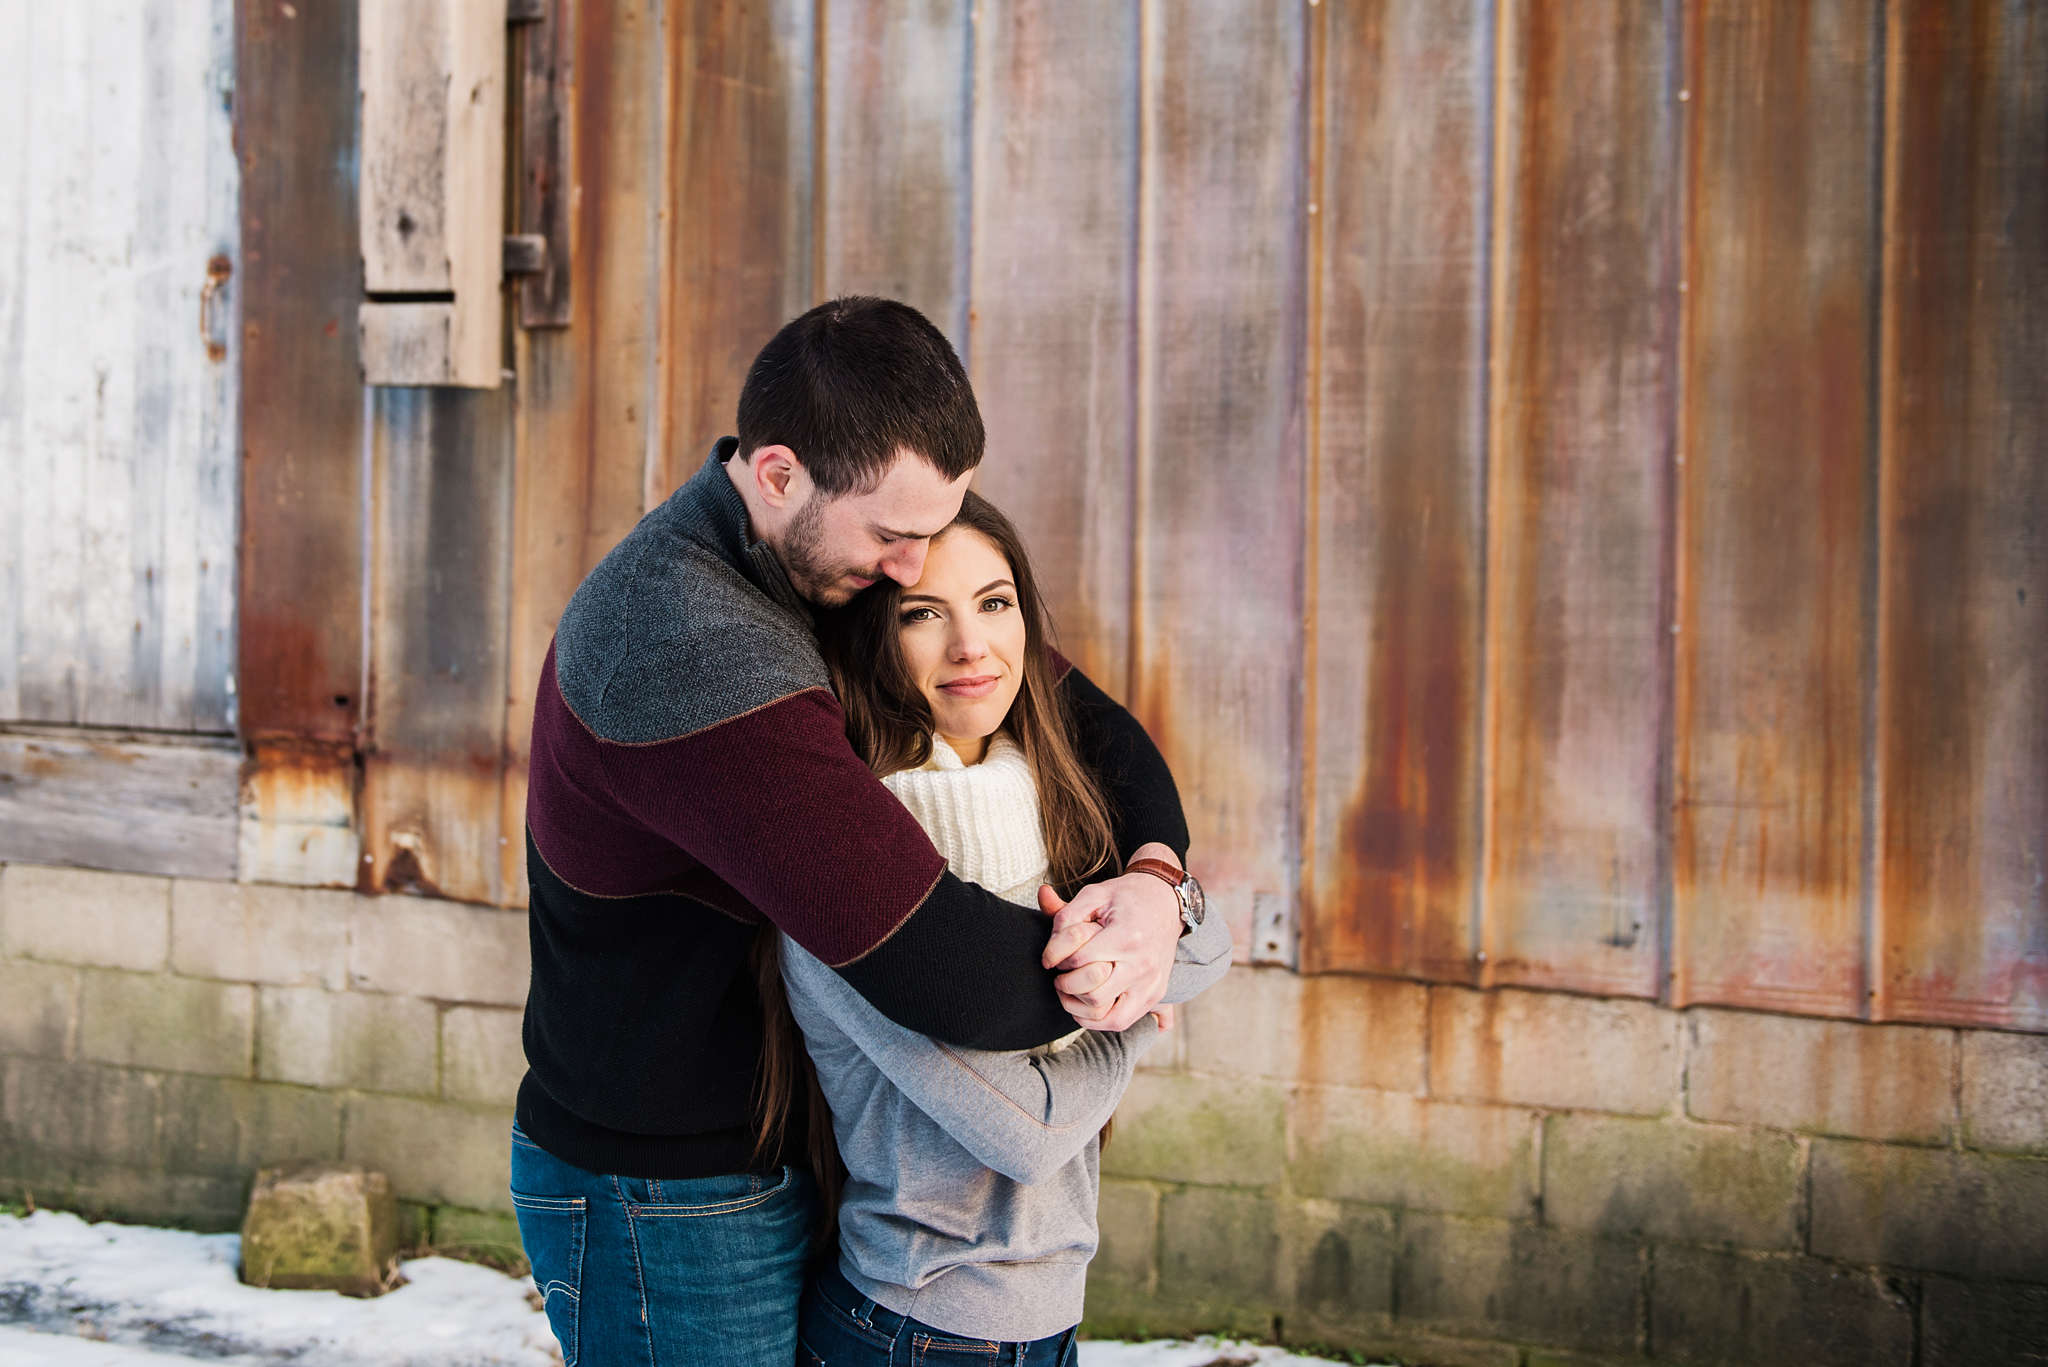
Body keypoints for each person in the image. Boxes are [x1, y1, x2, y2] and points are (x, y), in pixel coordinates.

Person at [510, 297, 1207, 1366]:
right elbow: (943, 970)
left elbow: (1081, 723)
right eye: (895, 537)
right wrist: (1139, 976)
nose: (910, 569)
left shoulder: (814, 553)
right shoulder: (688, 640)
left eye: (935, 531)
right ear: (778, 472)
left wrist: (1158, 883)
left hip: (788, 1159)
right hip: (667, 1191)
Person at [771, 492, 1227, 1364]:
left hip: (1044, 1320)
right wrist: (1127, 1007)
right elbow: (1032, 1131)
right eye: (923, 615)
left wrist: (1155, 901)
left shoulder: (1054, 809)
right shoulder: (847, 873)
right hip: (913, 1328)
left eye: (994, 601)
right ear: (874, 639)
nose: (970, 644)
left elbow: (1213, 940)